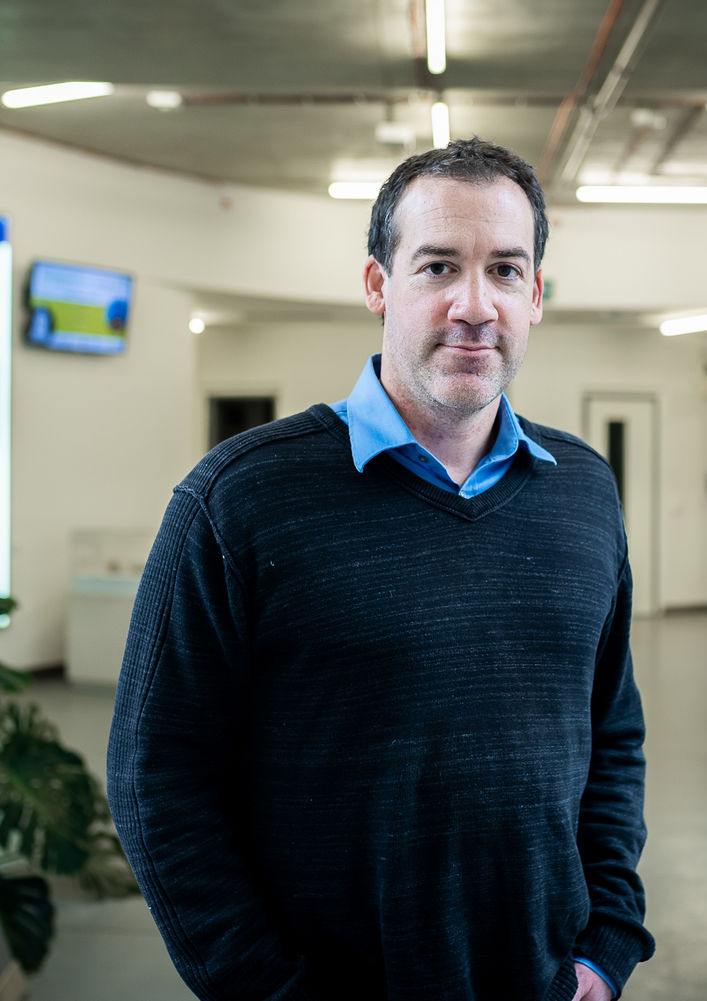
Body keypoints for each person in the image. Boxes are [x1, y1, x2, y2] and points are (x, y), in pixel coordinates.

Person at [106, 138, 655, 1001]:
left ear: (536, 295)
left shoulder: (583, 490)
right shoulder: (239, 498)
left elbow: (612, 731)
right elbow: (155, 779)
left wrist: (605, 942)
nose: (475, 305)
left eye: (505, 271)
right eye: (439, 267)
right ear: (377, 285)